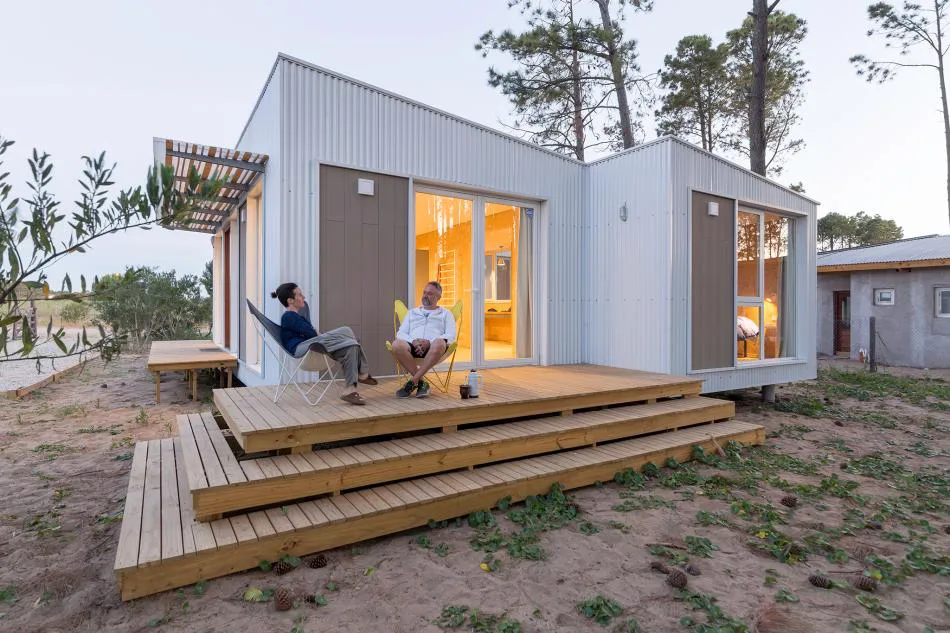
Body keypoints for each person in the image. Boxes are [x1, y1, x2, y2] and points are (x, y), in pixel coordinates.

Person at [271, 282, 377, 406]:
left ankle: (350, 390)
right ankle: (363, 373)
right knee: (346, 331)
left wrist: (317, 333)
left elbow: (312, 333)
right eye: (299, 295)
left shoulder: (298, 318)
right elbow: (311, 333)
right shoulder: (288, 316)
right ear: (290, 300)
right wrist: (316, 332)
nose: (303, 297)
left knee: (352, 345)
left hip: (313, 347)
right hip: (302, 349)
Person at [392, 281, 457, 398]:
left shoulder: (446, 314)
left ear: (438, 297)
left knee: (439, 342)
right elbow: (401, 333)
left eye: (430, 293)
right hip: (412, 346)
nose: (425, 296)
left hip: (434, 350)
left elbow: (451, 335)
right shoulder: (412, 313)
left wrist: (429, 342)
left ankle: (412, 382)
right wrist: (413, 341)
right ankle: (422, 383)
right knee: (396, 344)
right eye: (424, 292)